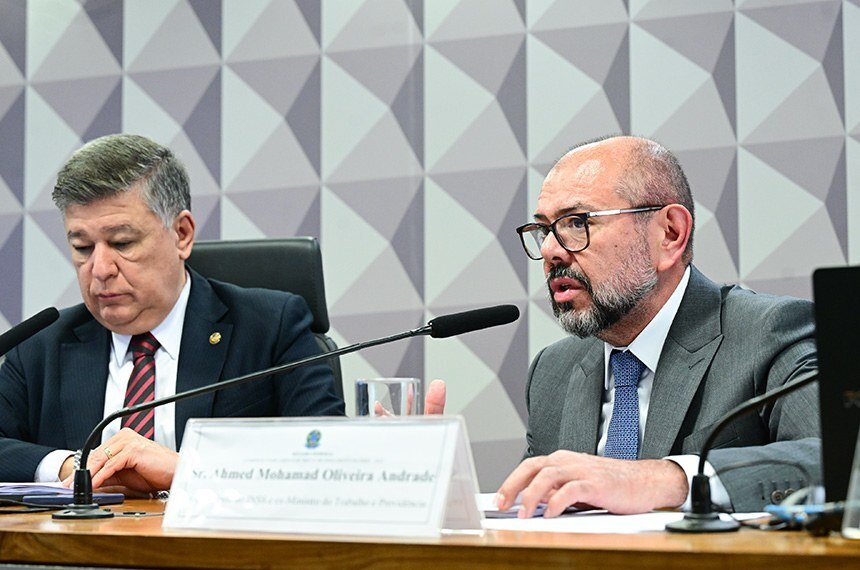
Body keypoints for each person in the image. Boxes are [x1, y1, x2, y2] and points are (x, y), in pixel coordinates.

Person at [0, 134, 445, 495]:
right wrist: (71, 467)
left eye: (121, 242)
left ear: (182, 234)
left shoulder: (269, 327)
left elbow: (318, 454)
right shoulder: (41, 345)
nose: (99, 268)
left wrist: (190, 469)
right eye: (81, 247)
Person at [497, 135, 818, 517]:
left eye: (576, 223)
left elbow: (842, 456)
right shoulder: (553, 370)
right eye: (544, 230)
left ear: (670, 233)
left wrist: (665, 479)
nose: (550, 250)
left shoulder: (770, 333)